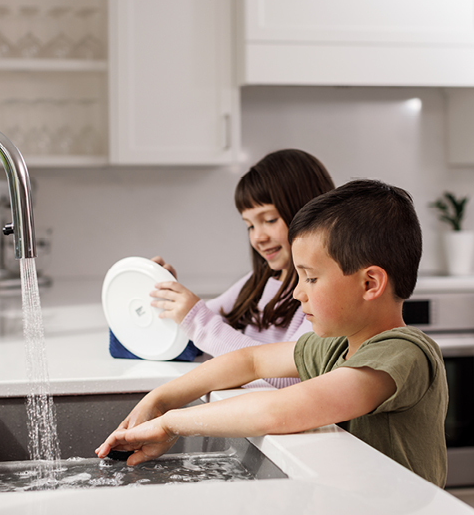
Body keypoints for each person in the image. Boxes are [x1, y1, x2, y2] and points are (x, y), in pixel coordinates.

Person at [96, 179, 449, 487]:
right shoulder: (333, 346)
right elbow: (250, 361)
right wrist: (159, 399)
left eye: (310, 278)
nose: (298, 292)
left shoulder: (403, 354)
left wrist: (171, 424)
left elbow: (279, 411)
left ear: (370, 283)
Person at [148, 149, 335, 388]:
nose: (257, 237)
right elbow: (192, 332)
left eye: (269, 220)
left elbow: (294, 375)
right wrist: (164, 294)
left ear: (309, 213)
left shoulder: (324, 291)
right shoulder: (259, 281)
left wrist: (195, 318)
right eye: (249, 226)